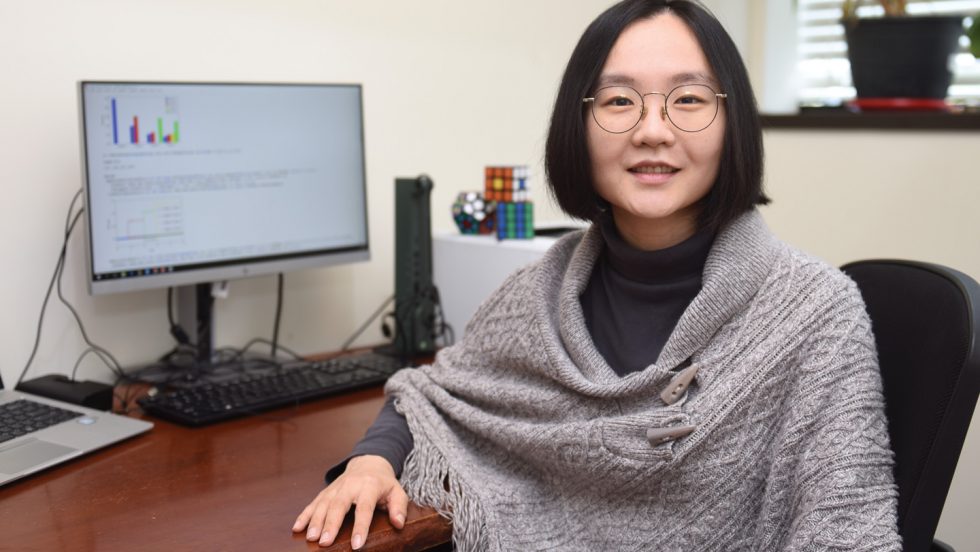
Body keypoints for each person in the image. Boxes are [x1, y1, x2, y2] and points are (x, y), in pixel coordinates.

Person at [293, 1, 902, 550]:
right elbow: (436, 394)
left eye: (688, 99)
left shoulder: (815, 314)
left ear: (731, 122)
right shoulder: (537, 293)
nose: (652, 131)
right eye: (618, 101)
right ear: (577, 127)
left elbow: (848, 530)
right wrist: (371, 463)